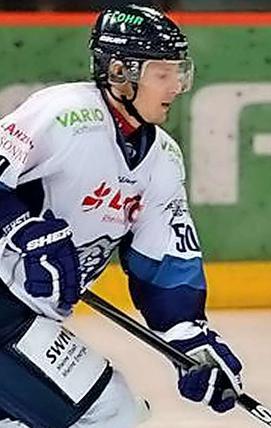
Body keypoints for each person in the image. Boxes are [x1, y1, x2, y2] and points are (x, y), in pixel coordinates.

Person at [0, 5, 243, 428]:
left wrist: (189, 334)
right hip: (6, 305)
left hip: (27, 315)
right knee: (108, 412)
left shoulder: (164, 159)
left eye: (179, 71)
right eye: (162, 73)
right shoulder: (63, 114)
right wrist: (22, 230)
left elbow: (165, 265)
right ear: (119, 71)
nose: (177, 86)